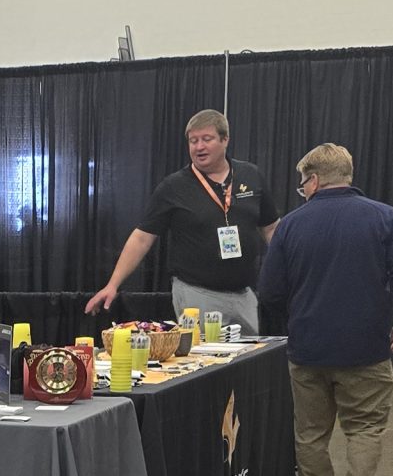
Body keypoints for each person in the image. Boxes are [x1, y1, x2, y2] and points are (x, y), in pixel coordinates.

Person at [257, 141, 393, 476]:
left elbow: (270, 291)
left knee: (311, 433)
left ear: (314, 181)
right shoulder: (384, 217)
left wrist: (291, 324)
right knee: (365, 427)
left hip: (308, 348)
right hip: (366, 348)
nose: (302, 190)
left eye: (302, 184)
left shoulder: (290, 225)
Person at [85, 109, 275, 329]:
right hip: (197, 294)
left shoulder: (251, 175)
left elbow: (271, 228)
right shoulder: (174, 186)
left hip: (244, 294)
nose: (199, 147)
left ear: (225, 140)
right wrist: (113, 285)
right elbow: (142, 238)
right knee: (204, 352)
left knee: (252, 352)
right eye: (193, 141)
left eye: (207, 139)